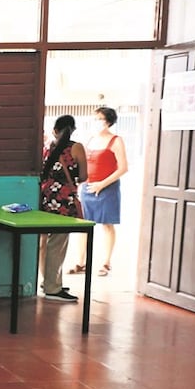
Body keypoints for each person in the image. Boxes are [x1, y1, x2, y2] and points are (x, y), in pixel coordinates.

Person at [71, 106, 128, 278]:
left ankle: (106, 262)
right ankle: (80, 262)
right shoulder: (90, 139)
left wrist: (102, 184)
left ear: (108, 121)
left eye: (100, 119)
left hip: (107, 188)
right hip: (88, 187)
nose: (97, 122)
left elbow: (123, 168)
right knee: (83, 225)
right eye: (95, 119)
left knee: (107, 224)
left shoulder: (116, 141)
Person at [39, 115, 87, 302]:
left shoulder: (48, 148)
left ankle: (48, 281)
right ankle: (53, 287)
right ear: (72, 129)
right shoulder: (76, 147)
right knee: (58, 243)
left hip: (46, 198)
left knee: (45, 242)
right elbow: (83, 176)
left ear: (55, 130)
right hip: (64, 200)